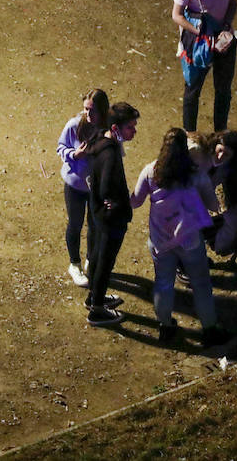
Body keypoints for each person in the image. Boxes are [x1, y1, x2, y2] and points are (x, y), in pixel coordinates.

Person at [131, 128, 230, 346]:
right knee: (201, 283)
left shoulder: (150, 171)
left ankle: (165, 326)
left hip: (160, 239)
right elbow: (213, 205)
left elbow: (135, 201)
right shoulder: (195, 175)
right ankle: (210, 328)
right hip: (189, 239)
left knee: (163, 283)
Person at [172, 0, 237, 133]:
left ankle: (220, 133)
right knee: (193, 89)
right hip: (199, 41)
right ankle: (190, 134)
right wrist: (199, 33)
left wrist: (226, 26)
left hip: (222, 37)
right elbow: (177, 14)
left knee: (223, 90)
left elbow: (233, 2)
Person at [85, 102, 140, 327]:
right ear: (116, 128)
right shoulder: (110, 153)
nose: (134, 131)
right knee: (105, 263)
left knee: (98, 257)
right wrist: (115, 204)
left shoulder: (100, 141)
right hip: (110, 219)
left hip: (99, 214)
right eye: (130, 127)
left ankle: (93, 298)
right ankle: (97, 310)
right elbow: (107, 185)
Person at [57, 88, 109, 287]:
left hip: (96, 187)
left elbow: (115, 154)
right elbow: (61, 147)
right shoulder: (74, 126)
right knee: (75, 224)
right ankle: (74, 264)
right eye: (86, 109)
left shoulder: (107, 130)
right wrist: (74, 155)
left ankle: (90, 260)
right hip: (75, 185)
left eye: (93, 111)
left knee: (95, 224)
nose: (89, 115)